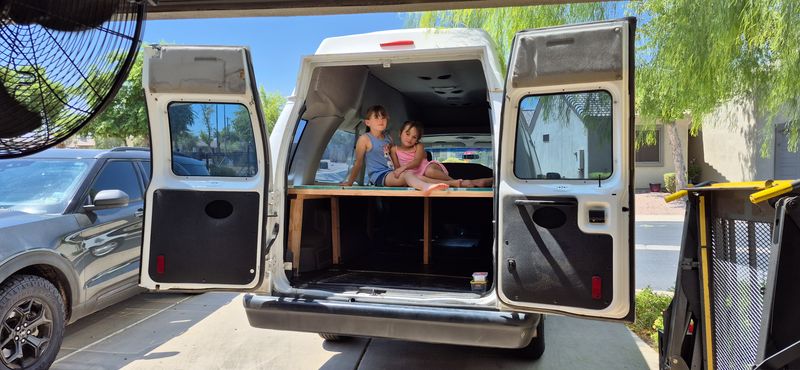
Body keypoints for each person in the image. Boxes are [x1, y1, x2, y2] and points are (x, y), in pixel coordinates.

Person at [340, 106, 461, 195]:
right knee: (409, 174)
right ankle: (426, 187)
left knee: (416, 176)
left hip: (391, 172)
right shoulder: (364, 139)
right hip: (379, 176)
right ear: (367, 122)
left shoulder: (388, 138)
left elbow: (392, 156)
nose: (381, 120)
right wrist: (350, 182)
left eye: (383, 117)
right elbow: (358, 163)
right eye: (376, 117)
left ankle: (450, 184)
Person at [390, 120, 493, 187]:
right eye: (407, 134)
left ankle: (454, 181)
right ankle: (455, 183)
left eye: (414, 137)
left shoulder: (418, 146)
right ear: (400, 133)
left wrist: (402, 169)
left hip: (427, 167)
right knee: (420, 179)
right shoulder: (394, 149)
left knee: (429, 172)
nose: (409, 139)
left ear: (417, 140)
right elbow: (396, 168)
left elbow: (417, 162)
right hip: (414, 175)